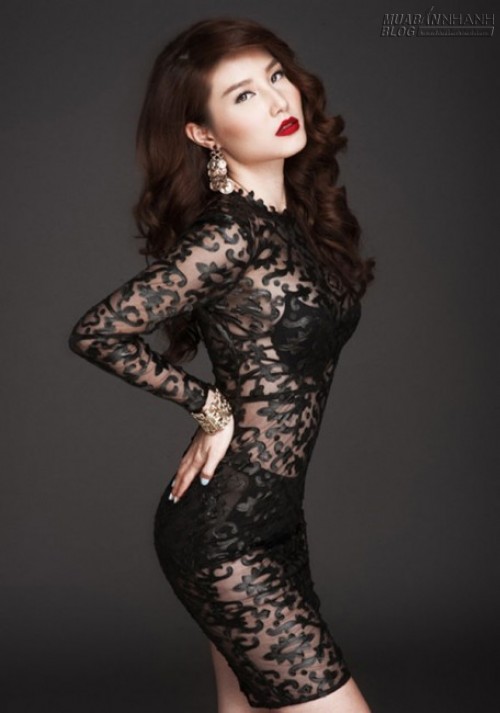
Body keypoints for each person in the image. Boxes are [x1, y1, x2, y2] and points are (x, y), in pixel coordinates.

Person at [68, 16, 375, 713]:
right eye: (243, 95)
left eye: (275, 77)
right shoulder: (231, 231)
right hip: (224, 535)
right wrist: (210, 408)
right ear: (203, 133)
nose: (277, 100)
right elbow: (99, 332)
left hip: (277, 524)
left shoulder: (291, 221)